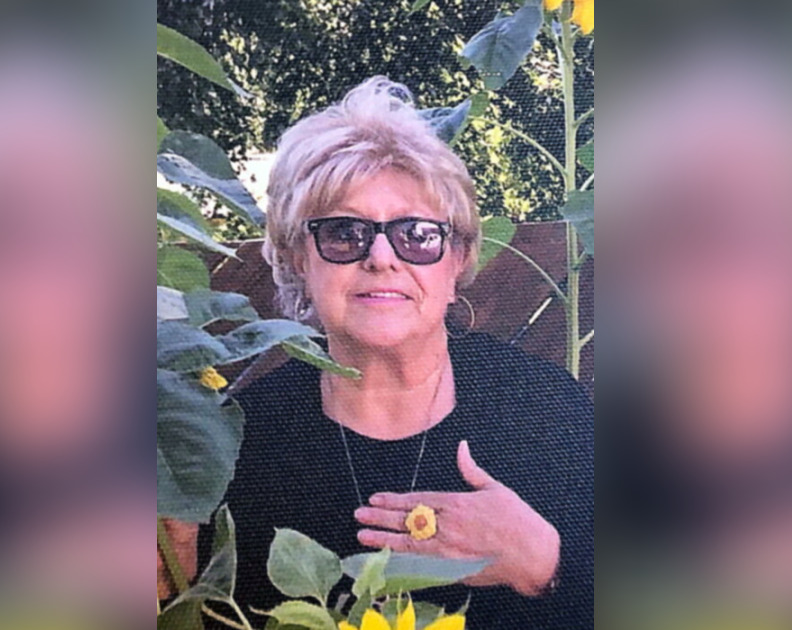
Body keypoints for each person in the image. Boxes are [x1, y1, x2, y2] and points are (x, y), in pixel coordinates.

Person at [196, 77, 594, 628]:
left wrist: (544, 563)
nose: (382, 257)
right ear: (298, 260)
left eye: (417, 234)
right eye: (344, 233)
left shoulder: (546, 413)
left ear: (458, 260)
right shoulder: (241, 448)